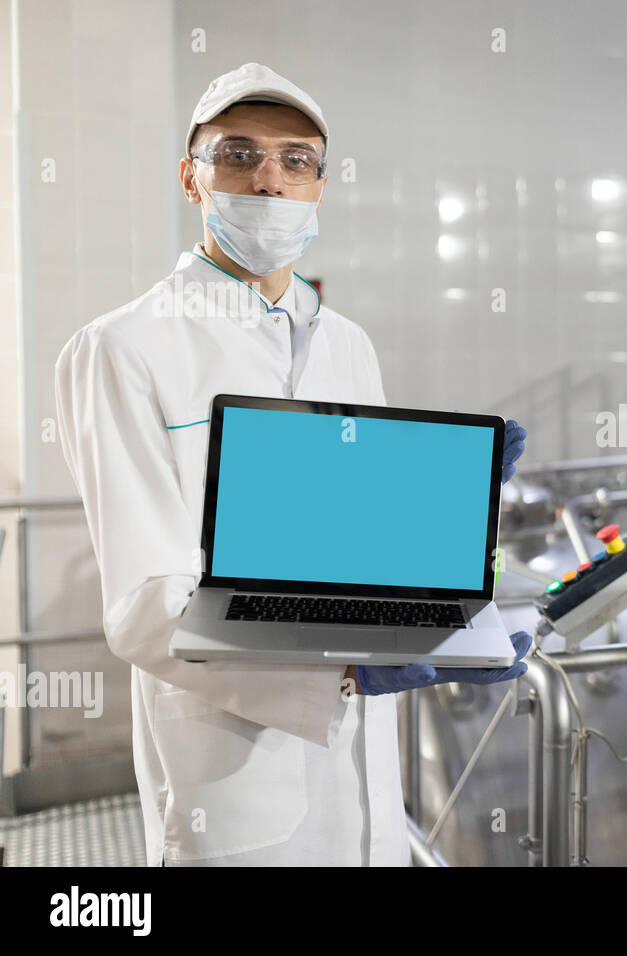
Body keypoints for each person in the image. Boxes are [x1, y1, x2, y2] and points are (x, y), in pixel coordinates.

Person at [53, 62, 529, 866]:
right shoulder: (124, 347)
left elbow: (349, 543)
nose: (269, 181)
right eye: (238, 154)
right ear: (190, 177)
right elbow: (143, 604)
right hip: (231, 771)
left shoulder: (345, 340)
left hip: (366, 774)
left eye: (295, 159)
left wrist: (443, 522)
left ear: (320, 184)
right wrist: (340, 669)